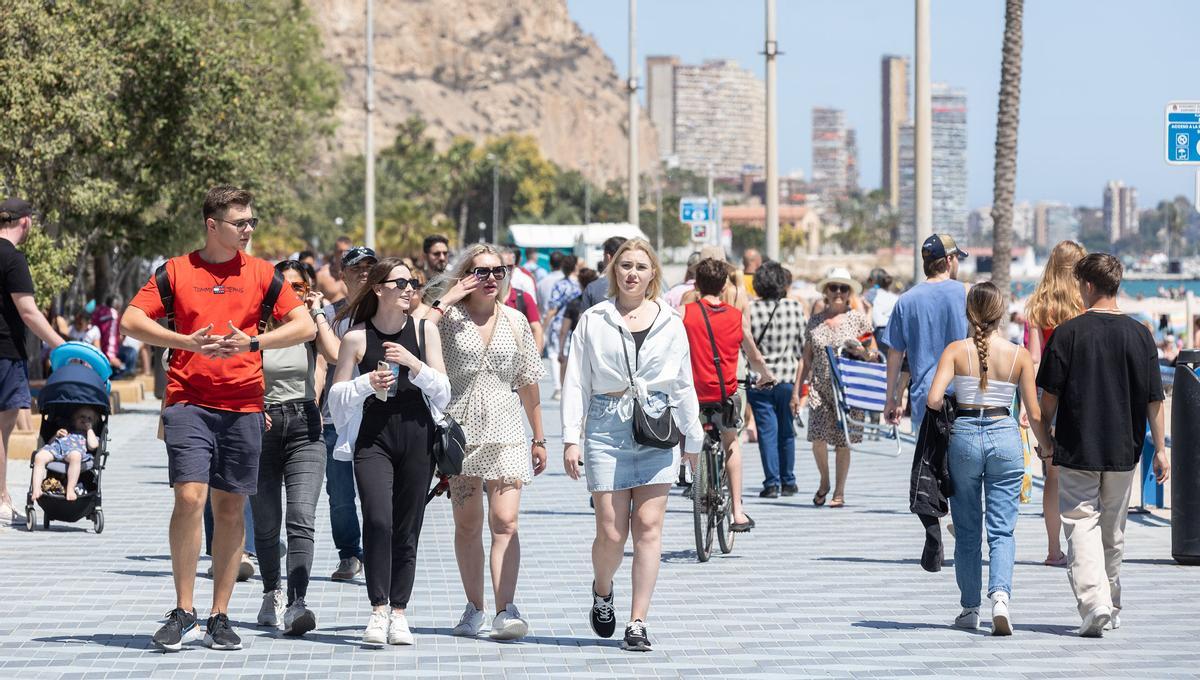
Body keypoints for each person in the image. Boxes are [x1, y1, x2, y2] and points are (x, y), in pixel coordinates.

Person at [122, 186, 315, 652]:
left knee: (229, 507)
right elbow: (131, 319)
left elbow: (305, 325)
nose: (248, 230)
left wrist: (252, 344)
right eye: (240, 223)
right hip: (188, 399)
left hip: (244, 403)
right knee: (190, 496)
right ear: (213, 225)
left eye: (251, 221)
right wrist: (186, 342)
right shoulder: (175, 271)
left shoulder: (264, 274)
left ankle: (219, 615)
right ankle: (184, 610)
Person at [562, 238, 702, 652]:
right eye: (625, 265)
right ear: (613, 271)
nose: (632, 273)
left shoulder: (670, 321)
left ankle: (637, 621)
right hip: (606, 425)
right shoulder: (594, 318)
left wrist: (692, 437)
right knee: (610, 530)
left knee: (648, 528)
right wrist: (571, 437)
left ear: (653, 274)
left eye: (641, 266)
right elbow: (576, 381)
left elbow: (683, 381)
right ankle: (602, 590)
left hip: (656, 425)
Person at [1036, 253, 1169, 637]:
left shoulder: (1068, 333)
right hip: (1123, 450)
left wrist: (1046, 437)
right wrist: (1159, 448)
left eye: (1080, 285)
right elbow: (1153, 399)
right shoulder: (1140, 333)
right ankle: (1110, 600)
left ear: (1089, 286)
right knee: (1113, 530)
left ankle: (1095, 603)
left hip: (1078, 447)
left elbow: (1049, 399)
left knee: (1081, 524)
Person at [427, 244, 547, 641]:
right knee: (467, 525)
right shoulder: (447, 321)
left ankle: (505, 608)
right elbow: (418, 328)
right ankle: (473, 607)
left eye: (498, 271)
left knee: (506, 523)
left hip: (508, 431)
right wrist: (448, 298)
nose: (491, 278)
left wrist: (540, 437)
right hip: (459, 435)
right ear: (466, 276)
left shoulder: (515, 321)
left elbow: (529, 382)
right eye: (480, 272)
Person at [329, 257, 450, 646]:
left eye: (412, 282)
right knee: (378, 520)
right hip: (373, 435)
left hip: (417, 432)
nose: (409, 288)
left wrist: (414, 364)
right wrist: (366, 382)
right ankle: (377, 609)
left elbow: (445, 392)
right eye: (400, 283)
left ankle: (399, 611)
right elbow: (335, 399)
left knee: (407, 527)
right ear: (379, 288)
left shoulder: (425, 330)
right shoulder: (356, 337)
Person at [926, 282, 1053, 635]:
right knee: (1002, 529)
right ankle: (1000, 597)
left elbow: (934, 399)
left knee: (967, 531)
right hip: (1004, 434)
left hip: (965, 434)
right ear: (1000, 315)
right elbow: (1034, 411)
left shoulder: (955, 351)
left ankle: (970, 609)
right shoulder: (1019, 355)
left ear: (970, 314)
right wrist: (1047, 447)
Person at [249, 261, 340, 637]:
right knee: (267, 523)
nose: (293, 293)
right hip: (261, 427)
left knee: (301, 516)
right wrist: (253, 410)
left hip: (305, 425)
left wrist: (317, 312)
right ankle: (272, 590)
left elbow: (334, 355)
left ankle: (297, 603)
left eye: (300, 287)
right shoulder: (255, 327)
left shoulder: (310, 327)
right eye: (285, 287)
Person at [682, 258, 776, 524]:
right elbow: (754, 356)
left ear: (697, 285)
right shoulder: (735, 317)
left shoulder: (684, 313)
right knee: (731, 441)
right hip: (725, 395)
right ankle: (737, 511)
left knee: (693, 437)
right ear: (725, 285)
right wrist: (766, 376)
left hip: (694, 395)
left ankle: (696, 487)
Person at [0, 197, 66, 526]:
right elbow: (28, 311)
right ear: (25, 222)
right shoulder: (12, 258)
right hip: (5, 353)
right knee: (1, 430)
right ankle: (1, 498)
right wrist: (62, 347)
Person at [1024, 240, 1086, 567]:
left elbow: (1034, 359)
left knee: (1053, 475)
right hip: (1081, 395)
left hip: (1049, 394)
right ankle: (1081, 548)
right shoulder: (1084, 304)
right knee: (1084, 475)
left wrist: (1029, 406)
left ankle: (1053, 549)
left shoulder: (1039, 305)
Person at [320, 245, 377, 582]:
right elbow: (328, 358)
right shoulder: (329, 315)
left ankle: (375, 552)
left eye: (371, 266)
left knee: (375, 492)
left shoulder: (385, 313)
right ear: (343, 275)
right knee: (340, 495)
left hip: (375, 416)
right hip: (335, 418)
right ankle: (348, 554)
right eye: (356, 267)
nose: (364, 272)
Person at [798, 268, 873, 508]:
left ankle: (839, 492)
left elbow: (873, 354)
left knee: (843, 441)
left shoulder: (859, 319)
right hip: (820, 386)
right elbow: (806, 358)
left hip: (848, 389)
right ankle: (825, 480)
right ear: (826, 292)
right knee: (817, 439)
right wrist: (796, 391)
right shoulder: (816, 321)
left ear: (850, 292)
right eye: (834, 288)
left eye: (844, 288)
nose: (839, 292)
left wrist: (861, 351)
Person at [882, 234, 970, 430]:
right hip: (963, 400)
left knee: (926, 460)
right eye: (957, 258)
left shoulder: (906, 300)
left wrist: (891, 398)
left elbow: (895, 354)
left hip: (924, 400)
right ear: (948, 260)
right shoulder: (967, 293)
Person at [745, 261, 806, 497]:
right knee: (786, 431)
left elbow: (746, 345)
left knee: (767, 433)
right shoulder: (795, 307)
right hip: (788, 379)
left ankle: (771, 483)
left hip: (760, 380)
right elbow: (802, 348)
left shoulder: (751, 309)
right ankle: (788, 480)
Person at [30, 405, 101, 502]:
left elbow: (93, 446)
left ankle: (70, 489)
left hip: (74, 451)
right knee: (39, 457)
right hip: (57, 448)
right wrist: (56, 435)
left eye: (89, 419)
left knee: (76, 456)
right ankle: (36, 489)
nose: (85, 420)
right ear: (74, 419)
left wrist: (89, 429)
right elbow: (50, 443)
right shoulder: (67, 430)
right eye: (82, 417)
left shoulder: (90, 435)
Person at [543, 254, 581, 400]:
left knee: (557, 355)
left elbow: (553, 307)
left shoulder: (560, 285)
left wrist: (544, 324)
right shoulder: (579, 284)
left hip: (560, 323)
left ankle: (560, 388)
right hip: (576, 322)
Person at [558, 268, 599, 387]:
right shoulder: (600, 303)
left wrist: (561, 351)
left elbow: (563, 330)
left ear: (580, 283)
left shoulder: (573, 303)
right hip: (596, 345)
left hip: (577, 346)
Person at [579, 236, 627, 310]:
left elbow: (583, 319)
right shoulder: (639, 286)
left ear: (608, 257)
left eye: (603, 255)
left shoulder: (592, 288)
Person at [866, 269, 899, 355]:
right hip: (895, 332)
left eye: (869, 280)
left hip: (879, 333)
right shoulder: (895, 297)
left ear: (873, 281)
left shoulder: (872, 293)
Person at [316, 236, 352, 304]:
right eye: (340, 252)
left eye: (346, 252)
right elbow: (315, 300)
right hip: (328, 313)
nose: (343, 255)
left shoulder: (356, 275)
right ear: (335, 252)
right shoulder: (322, 275)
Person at [535, 251, 565, 317]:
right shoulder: (569, 282)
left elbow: (538, 306)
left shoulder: (541, 283)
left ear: (550, 264)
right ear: (563, 264)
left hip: (545, 324)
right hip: (564, 323)